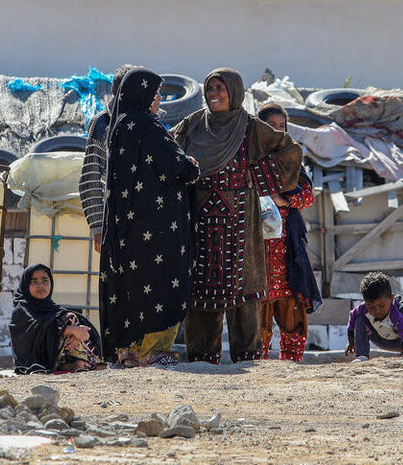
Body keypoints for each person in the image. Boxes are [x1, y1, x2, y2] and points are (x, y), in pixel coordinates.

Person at [172, 68, 302, 364]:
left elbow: (289, 150)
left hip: (242, 223)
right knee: (201, 291)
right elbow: (170, 152)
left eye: (220, 88)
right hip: (201, 223)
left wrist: (259, 177)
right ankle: (203, 359)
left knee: (245, 292)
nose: (213, 93)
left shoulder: (251, 128)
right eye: (209, 88)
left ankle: (247, 357)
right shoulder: (192, 124)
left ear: (235, 92)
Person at [99, 67, 199, 367]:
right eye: (155, 93)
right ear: (141, 93)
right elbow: (180, 168)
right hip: (158, 229)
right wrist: (191, 162)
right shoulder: (150, 128)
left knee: (131, 287)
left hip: (126, 230)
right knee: (163, 284)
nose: (158, 100)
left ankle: (129, 352)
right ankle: (155, 352)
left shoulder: (118, 127)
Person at [256, 103, 322, 362]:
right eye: (271, 126)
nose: (277, 131)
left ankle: (290, 363)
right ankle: (258, 360)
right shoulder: (249, 158)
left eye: (282, 126)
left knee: (290, 307)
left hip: (286, 249)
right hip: (256, 249)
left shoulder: (292, 158)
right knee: (257, 309)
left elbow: (307, 196)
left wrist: (282, 200)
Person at [80, 64, 137, 253]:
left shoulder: (150, 123)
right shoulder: (102, 124)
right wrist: (98, 229)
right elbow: (91, 178)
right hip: (114, 222)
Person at [9, 263, 103, 374]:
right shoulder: (21, 311)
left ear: (51, 283)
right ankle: (79, 363)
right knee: (67, 322)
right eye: (34, 281)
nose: (40, 286)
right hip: (36, 359)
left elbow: (51, 324)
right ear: (26, 285)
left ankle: (73, 363)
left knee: (70, 317)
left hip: (60, 355)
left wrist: (76, 336)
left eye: (45, 281)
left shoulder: (52, 308)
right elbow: (35, 332)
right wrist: (70, 330)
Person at [346, 272, 403, 361]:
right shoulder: (362, 308)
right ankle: (362, 356)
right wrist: (351, 341)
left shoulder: (398, 313)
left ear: (391, 298)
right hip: (379, 338)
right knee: (359, 319)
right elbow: (352, 316)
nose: (377, 311)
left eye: (381, 306)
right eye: (371, 307)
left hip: (401, 341)